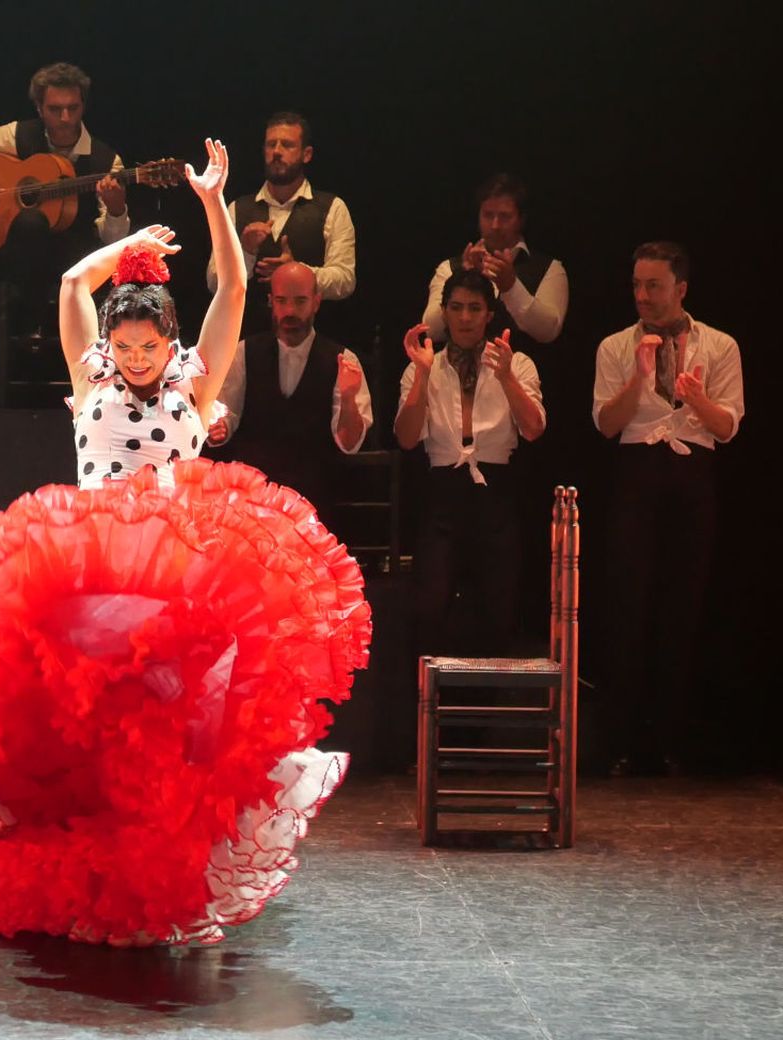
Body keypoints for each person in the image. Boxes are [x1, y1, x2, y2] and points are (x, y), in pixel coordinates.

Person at [0, 141, 372, 947]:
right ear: (112, 346)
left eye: (150, 347)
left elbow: (236, 288)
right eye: (128, 347)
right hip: (90, 569)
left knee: (175, 743)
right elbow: (73, 285)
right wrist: (127, 253)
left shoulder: (193, 383)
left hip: (175, 573)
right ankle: (80, 879)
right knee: (82, 737)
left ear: (170, 346)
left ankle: (164, 882)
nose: (139, 360)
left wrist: (214, 202)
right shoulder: (92, 382)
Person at [593, 241, 743, 775]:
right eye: (636, 285)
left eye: (653, 286)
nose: (642, 296)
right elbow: (607, 425)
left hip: (692, 477)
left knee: (683, 608)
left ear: (680, 288)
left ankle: (673, 740)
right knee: (627, 608)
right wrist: (639, 375)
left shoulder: (720, 345)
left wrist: (696, 398)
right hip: (636, 476)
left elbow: (725, 427)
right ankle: (621, 743)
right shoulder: (614, 345)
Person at [396, 270, 546, 655]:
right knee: (431, 608)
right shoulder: (423, 364)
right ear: (444, 312)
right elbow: (407, 438)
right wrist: (423, 374)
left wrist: (508, 377)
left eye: (474, 308)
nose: (465, 318)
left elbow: (533, 429)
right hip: (442, 494)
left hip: (496, 492)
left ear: (489, 315)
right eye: (457, 308)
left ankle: (489, 710)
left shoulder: (519, 363)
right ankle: (430, 709)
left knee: (497, 611)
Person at [0, 62, 130, 334]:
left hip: (73, 259)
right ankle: (29, 324)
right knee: (30, 223)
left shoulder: (106, 161)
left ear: (83, 106)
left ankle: (38, 325)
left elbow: (113, 244)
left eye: (73, 108)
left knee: (38, 227)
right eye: (54, 109)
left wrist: (116, 209)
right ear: (40, 109)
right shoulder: (21, 134)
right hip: (18, 255)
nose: (65, 118)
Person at [211, 260, 373, 525]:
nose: (290, 311)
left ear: (316, 302)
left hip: (314, 501)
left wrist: (347, 398)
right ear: (270, 302)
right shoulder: (244, 352)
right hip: (252, 498)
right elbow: (226, 414)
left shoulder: (343, 360)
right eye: (282, 301)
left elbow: (349, 443)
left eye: (300, 301)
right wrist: (220, 427)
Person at [206, 112, 356, 335]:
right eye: (271, 145)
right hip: (247, 341)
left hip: (314, 343)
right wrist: (245, 253)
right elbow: (213, 282)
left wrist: (296, 272)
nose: (276, 151)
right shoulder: (238, 208)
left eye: (286, 145)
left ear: (307, 154)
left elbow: (345, 280)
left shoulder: (332, 207)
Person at [421, 173, 568, 350]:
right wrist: (463, 279)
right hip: (458, 375)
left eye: (505, 216)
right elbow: (431, 331)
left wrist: (511, 287)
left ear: (521, 220)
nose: (495, 225)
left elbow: (548, 332)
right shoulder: (450, 268)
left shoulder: (549, 268)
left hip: (520, 374)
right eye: (488, 215)